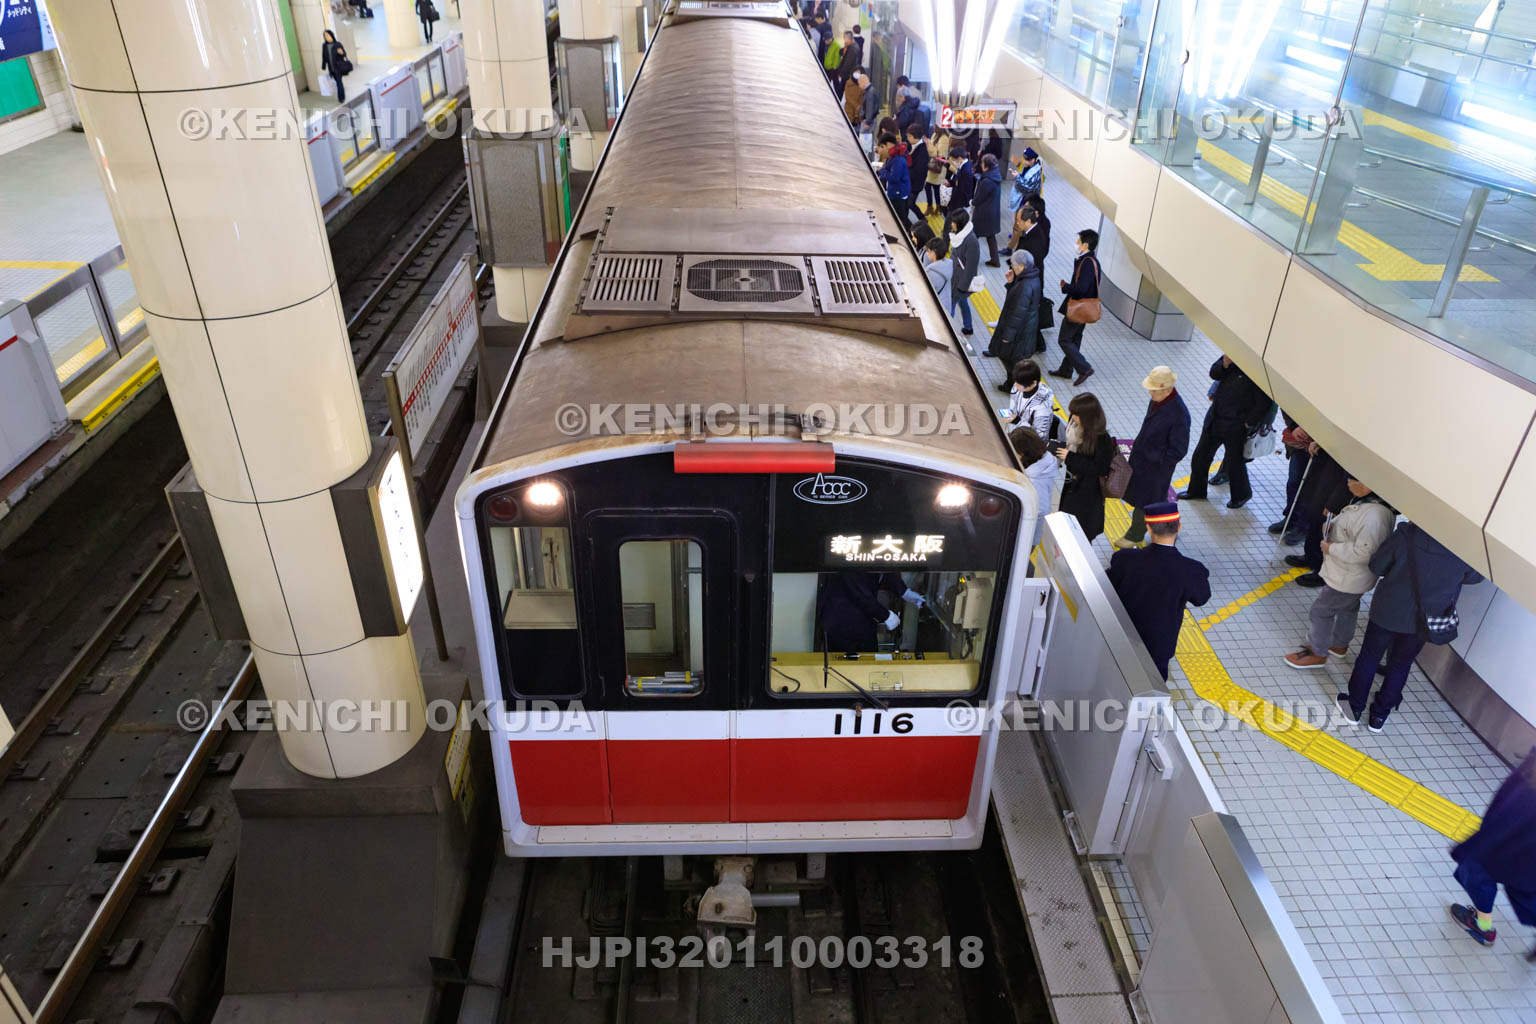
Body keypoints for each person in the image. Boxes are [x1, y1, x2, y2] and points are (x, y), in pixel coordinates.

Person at [1339, 521, 1482, 731]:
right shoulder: (1463, 551)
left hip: (1388, 611)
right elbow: (1474, 578)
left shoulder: (1406, 536)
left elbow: (1377, 566)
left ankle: (1353, 709)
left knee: (1369, 656)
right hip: (1424, 620)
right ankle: (1379, 716)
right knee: (1401, 663)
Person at [1283, 476, 1395, 670]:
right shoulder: (1368, 503)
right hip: (1350, 575)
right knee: (1347, 609)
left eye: (1352, 481)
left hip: (1348, 576)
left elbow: (1365, 551)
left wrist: (1331, 548)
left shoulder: (1374, 516)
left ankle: (1317, 653)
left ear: (1367, 485)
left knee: (1321, 611)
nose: (1348, 484)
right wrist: (1332, 526)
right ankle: (1339, 645)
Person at [1107, 502, 1211, 680]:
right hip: (1159, 642)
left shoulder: (1124, 559)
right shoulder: (1192, 570)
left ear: (1148, 528)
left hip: (1120, 634)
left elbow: (1108, 584)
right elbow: (1201, 598)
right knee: (1152, 685)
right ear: (1178, 528)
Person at [1448, 749, 1536, 952]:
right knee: (1527, 886)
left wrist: (1472, 846)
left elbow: (1508, 817)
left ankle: (1483, 926)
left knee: (1477, 868)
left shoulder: (1530, 786)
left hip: (1513, 838)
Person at [1178, 354, 1273, 510]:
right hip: (1216, 417)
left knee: (1234, 462)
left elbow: (1264, 402)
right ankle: (1196, 490)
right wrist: (1225, 364)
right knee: (1201, 455)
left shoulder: (1260, 371)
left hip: (1236, 423)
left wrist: (1249, 422)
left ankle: (1241, 494)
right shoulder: (1232, 356)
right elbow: (1214, 373)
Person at [1114, 366, 1191, 550]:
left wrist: (1157, 461)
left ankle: (1135, 535)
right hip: (1143, 461)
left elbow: (1179, 449)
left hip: (1156, 468)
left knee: (1145, 500)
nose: (1150, 392)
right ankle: (1170, 528)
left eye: (1153, 389)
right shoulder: (1158, 401)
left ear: (1166, 389)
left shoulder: (1178, 413)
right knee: (1155, 498)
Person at [1285, 443, 1351, 588]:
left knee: (1327, 530)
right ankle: (1311, 557)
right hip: (1325, 470)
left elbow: (1351, 477)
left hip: (1336, 489)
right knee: (1314, 518)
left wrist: (1335, 502)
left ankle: (1322, 571)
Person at [1053, 392, 1114, 542]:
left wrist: (1070, 457)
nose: (1072, 417)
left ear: (1088, 416)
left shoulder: (1101, 438)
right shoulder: (1075, 426)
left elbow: (1100, 468)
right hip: (1072, 484)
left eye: (1076, 414)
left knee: (1080, 532)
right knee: (1067, 523)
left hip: (1087, 493)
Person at [815, 571, 924, 652]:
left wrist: (905, 592)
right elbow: (858, 591)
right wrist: (886, 615)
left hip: (863, 618)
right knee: (847, 666)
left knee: (868, 660)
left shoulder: (877, 546)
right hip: (841, 618)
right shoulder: (852, 546)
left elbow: (885, 570)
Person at [1047, 229, 1100, 387]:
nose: (1075, 245)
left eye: (1078, 242)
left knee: (1064, 339)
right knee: (1075, 339)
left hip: (1078, 307)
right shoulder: (1090, 260)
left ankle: (1084, 368)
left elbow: (1081, 288)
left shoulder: (1087, 264)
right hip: (1084, 308)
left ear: (1085, 245)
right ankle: (1066, 370)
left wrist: (1066, 288)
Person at [987, 250, 1041, 389]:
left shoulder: (1025, 286)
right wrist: (1011, 282)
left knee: (1010, 358)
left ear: (1022, 266)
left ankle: (1014, 385)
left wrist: (1007, 336)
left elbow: (1018, 314)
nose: (1012, 268)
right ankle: (1012, 384)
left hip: (1019, 333)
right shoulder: (1031, 277)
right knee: (1010, 358)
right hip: (1024, 330)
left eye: (1013, 265)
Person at [1010, 427, 1060, 550]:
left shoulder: (1036, 479)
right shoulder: (1040, 462)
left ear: (1021, 453)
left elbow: (1041, 509)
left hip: (1026, 533)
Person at [1269, 412, 1312, 545]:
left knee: (1310, 488)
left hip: (1321, 445)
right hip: (1299, 441)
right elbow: (1288, 403)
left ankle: (1303, 526)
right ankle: (1290, 519)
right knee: (1294, 482)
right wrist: (1294, 426)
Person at [946, 210, 980, 336]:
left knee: (951, 305)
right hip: (955, 277)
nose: (951, 224)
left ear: (960, 223)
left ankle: (948, 331)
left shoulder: (971, 241)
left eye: (954, 222)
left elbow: (971, 267)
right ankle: (968, 326)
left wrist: (962, 287)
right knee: (963, 302)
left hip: (960, 281)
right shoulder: (958, 235)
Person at [1001, 358, 1054, 438]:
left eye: (1019, 384)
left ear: (1033, 383)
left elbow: (1040, 435)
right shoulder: (1017, 387)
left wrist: (1017, 421)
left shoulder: (1043, 406)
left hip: (1028, 443)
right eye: (1016, 382)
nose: (1015, 385)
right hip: (1014, 434)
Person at [972, 153, 1004, 267]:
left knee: (973, 237)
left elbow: (979, 198)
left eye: (982, 163)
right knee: (991, 236)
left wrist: (972, 202)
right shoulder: (996, 175)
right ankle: (995, 260)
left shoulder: (987, 181)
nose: (981, 164)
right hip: (992, 212)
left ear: (987, 166)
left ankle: (971, 259)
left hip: (983, 214)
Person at [876, 134, 911, 214]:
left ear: (888, 144)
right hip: (896, 192)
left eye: (882, 147)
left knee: (899, 219)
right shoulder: (894, 154)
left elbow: (894, 177)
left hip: (898, 195)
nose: (881, 149)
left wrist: (882, 171)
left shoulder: (897, 159)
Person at [904, 125, 929, 225]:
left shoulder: (922, 151)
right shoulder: (911, 146)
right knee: (910, 203)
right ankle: (921, 218)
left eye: (909, 136)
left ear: (915, 137)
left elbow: (918, 170)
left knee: (909, 203)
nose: (907, 138)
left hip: (915, 184)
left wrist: (905, 170)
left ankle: (919, 220)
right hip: (910, 182)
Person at [922, 130, 950, 216]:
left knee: (935, 188)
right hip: (933, 166)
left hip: (938, 167)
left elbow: (939, 155)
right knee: (930, 187)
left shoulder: (944, 139)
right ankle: (933, 207)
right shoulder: (935, 135)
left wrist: (928, 144)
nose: (934, 127)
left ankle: (936, 207)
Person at [320, 30, 352, 102]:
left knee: (339, 82)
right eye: (325, 36)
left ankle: (341, 98)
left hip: (338, 67)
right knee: (337, 82)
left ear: (331, 35)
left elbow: (344, 54)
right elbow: (324, 56)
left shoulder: (338, 44)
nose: (326, 37)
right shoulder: (324, 45)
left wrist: (341, 53)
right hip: (331, 68)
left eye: (327, 35)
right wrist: (323, 66)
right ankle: (341, 96)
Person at [946, 148, 977, 220]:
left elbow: (965, 191)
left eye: (953, 160)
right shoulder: (964, 167)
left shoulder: (966, 171)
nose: (952, 162)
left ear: (959, 158)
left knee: (950, 221)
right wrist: (950, 183)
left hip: (959, 204)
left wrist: (960, 207)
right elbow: (959, 182)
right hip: (957, 203)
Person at [921, 236, 952, 304]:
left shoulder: (933, 273)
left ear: (934, 252)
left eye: (928, 251)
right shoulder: (947, 265)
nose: (927, 254)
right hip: (946, 304)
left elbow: (924, 293)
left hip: (937, 309)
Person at [834, 31, 859, 96]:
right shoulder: (850, 46)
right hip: (846, 74)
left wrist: (841, 73)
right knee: (841, 90)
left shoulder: (853, 49)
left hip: (847, 75)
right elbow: (842, 53)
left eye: (844, 38)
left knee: (841, 91)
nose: (844, 39)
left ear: (849, 38)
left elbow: (848, 63)